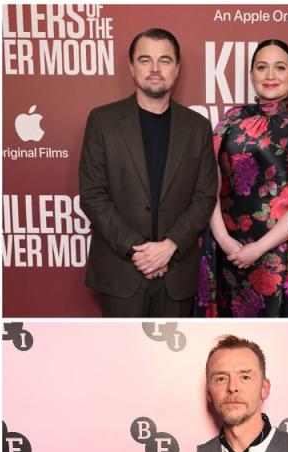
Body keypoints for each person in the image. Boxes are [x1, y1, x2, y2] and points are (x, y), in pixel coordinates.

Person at [79, 28, 217, 317]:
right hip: (121, 272)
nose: (155, 69)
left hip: (177, 274)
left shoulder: (197, 127)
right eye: (145, 60)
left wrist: (169, 247)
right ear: (131, 67)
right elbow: (93, 196)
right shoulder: (102, 121)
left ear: (177, 69)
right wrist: (139, 251)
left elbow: (204, 196)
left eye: (164, 60)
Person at [198, 39, 288, 317]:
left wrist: (257, 249)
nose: (270, 75)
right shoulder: (230, 120)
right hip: (228, 254)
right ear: (251, 75)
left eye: (279, 67)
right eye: (262, 67)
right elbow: (209, 184)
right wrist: (224, 240)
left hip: (279, 257)